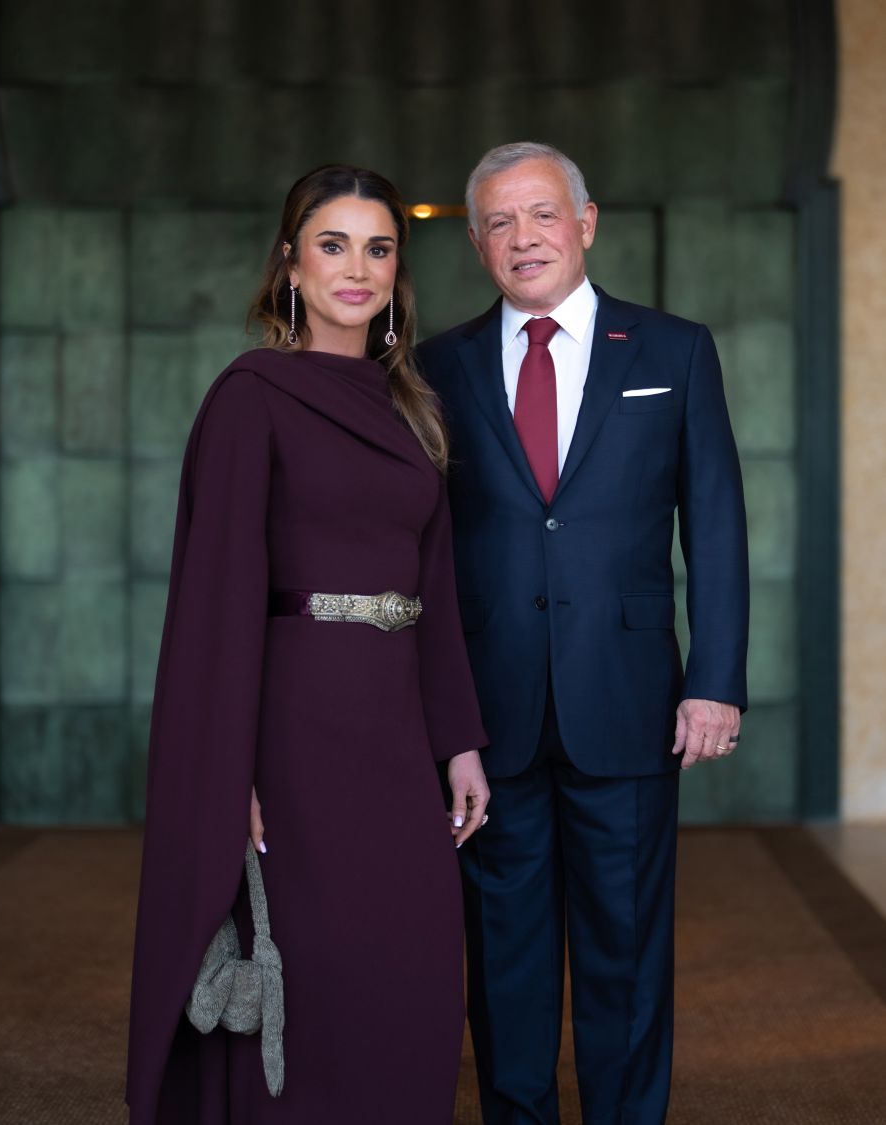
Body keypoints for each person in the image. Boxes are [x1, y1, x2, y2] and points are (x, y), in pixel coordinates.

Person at [126, 164, 490, 1125]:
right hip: (293, 736)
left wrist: (459, 741)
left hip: (396, 735)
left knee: (410, 966)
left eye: (379, 248)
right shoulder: (250, 396)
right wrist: (229, 768)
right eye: (334, 245)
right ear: (291, 264)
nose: (357, 269)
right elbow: (216, 601)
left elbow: (435, 589)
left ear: (398, 270)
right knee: (312, 968)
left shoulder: (413, 407)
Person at [417, 142, 749, 1125]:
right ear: (477, 244)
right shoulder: (434, 368)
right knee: (504, 962)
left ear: (586, 222)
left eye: (543, 214)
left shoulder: (674, 351)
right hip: (490, 713)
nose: (524, 238)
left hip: (631, 700)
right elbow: (421, 549)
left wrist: (716, 677)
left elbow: (717, 524)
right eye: (500, 223)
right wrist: (437, 713)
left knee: (628, 957)